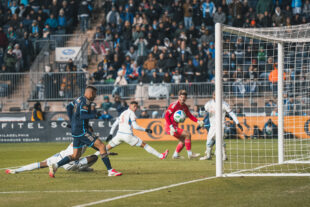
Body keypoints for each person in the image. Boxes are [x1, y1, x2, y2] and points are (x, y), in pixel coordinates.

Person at [48, 86, 122, 178]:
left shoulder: (79, 99)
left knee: (75, 156)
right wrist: (94, 115)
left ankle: (55, 165)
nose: (95, 96)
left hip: (76, 131)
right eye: (94, 94)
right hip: (82, 130)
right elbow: (83, 116)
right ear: (90, 93)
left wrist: (72, 121)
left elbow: (68, 107)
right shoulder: (85, 102)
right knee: (102, 145)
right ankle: (110, 171)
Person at [200, 92, 243, 161]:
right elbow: (203, 112)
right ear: (213, 95)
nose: (215, 96)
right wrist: (202, 111)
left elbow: (231, 113)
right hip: (212, 126)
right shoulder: (209, 104)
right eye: (214, 94)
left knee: (220, 141)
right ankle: (208, 156)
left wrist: (237, 123)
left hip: (221, 125)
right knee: (209, 141)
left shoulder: (224, 104)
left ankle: (224, 156)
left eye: (217, 94)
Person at [5, 143, 98, 174]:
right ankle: (81, 167)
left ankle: (17, 170)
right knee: (94, 157)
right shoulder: (87, 139)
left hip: (59, 156)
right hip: (70, 162)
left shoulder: (77, 135)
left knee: (41, 164)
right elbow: (99, 147)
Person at [164, 90, 203, 159]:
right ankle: (190, 154)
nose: (182, 99)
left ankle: (175, 155)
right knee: (188, 134)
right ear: (179, 97)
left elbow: (190, 116)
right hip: (170, 127)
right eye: (181, 97)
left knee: (183, 140)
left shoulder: (185, 107)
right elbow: (166, 116)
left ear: (186, 98)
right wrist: (171, 127)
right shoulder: (174, 105)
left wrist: (198, 121)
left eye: (184, 97)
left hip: (174, 126)